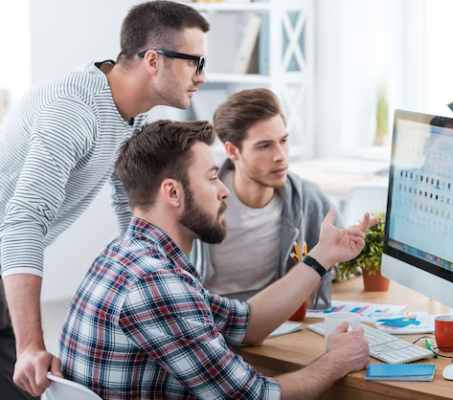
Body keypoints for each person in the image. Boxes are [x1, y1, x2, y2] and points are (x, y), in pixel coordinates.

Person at [59, 120, 376, 399]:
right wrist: (336, 361)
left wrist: (322, 255)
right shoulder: (155, 283)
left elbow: (247, 323)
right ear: (172, 192)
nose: (224, 190)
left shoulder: (126, 255)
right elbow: (257, 397)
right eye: (212, 178)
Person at [0, 2, 209, 397]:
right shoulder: (74, 110)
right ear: (153, 60)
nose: (202, 76)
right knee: (29, 381)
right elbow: (24, 221)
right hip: (7, 252)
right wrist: (30, 344)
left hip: (4, 264)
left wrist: (164, 285)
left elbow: (128, 203)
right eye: (195, 62)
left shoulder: (132, 113)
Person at [191, 88, 342, 303]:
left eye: (283, 141)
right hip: (213, 320)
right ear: (233, 151)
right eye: (265, 146)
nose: (280, 156)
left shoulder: (309, 198)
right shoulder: (201, 200)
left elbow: (344, 268)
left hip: (280, 321)